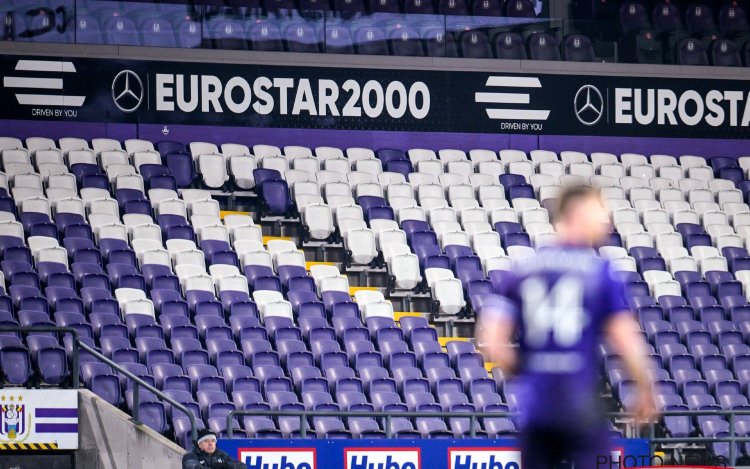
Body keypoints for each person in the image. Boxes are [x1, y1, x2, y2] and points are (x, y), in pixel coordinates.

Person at [477, 185, 657, 469]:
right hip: (578, 402)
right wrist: (645, 387)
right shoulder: (601, 272)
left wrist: (529, 371)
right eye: (599, 211)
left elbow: (493, 341)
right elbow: (625, 340)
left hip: (535, 407)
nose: (606, 221)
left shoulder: (521, 270)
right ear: (577, 213)